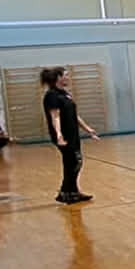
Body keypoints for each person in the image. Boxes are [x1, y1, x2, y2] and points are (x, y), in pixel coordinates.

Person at [42, 66, 98, 204]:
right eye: (66, 75)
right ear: (58, 78)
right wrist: (59, 134)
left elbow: (74, 115)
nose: (68, 78)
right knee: (74, 162)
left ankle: (70, 192)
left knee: (74, 162)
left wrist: (87, 129)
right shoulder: (52, 95)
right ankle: (66, 192)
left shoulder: (65, 94)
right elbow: (55, 116)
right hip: (64, 135)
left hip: (73, 133)